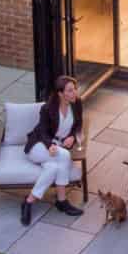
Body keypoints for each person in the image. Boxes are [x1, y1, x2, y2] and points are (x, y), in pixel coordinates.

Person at [21, 75, 85, 225]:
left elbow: (78, 125)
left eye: (74, 89)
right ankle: (62, 201)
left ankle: (29, 201)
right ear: (60, 93)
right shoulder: (47, 108)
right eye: (70, 90)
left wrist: (73, 138)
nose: (74, 92)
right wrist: (49, 145)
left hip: (57, 148)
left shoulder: (76, 103)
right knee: (64, 156)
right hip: (38, 145)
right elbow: (42, 131)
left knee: (53, 168)